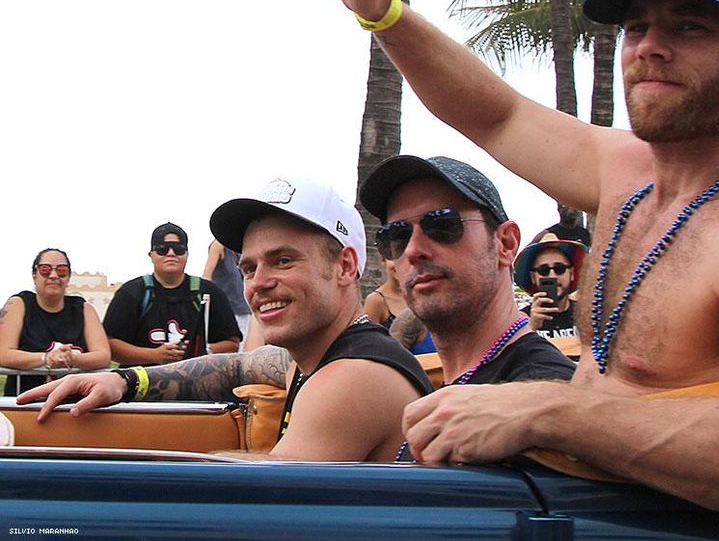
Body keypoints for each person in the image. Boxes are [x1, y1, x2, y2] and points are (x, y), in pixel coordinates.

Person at [319, 0, 719, 524]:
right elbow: (496, 115)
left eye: (690, 27)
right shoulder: (627, 172)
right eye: (637, 27)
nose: (650, 47)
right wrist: (383, 12)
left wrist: (545, 411)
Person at [18, 178, 432, 462]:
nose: (259, 283)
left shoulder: (354, 377)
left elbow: (265, 504)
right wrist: (124, 381)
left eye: (283, 260)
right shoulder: (315, 359)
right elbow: (237, 366)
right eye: (249, 267)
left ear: (345, 267)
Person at [359, 154, 577, 390]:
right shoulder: (454, 386)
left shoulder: (542, 393)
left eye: (442, 224)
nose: (412, 250)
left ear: (506, 244)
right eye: (396, 235)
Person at [102, 223, 242, 366]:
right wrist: (154, 356)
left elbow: (232, 342)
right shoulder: (131, 292)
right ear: (151, 255)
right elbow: (108, 343)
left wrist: (200, 350)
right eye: (162, 249)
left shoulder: (210, 292)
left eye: (178, 249)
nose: (171, 253)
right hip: (144, 377)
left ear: (187, 254)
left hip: (195, 377)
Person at [0, 248, 111, 395]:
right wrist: (47, 358)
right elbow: (3, 354)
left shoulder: (84, 308)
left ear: (68, 277)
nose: (53, 275)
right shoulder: (18, 304)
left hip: (74, 403)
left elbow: (103, 356)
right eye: (45, 270)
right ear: (34, 275)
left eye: (62, 271)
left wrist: (72, 359)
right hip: (25, 400)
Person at [513, 233, 587, 340]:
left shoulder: (586, 315)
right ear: (533, 277)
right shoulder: (519, 320)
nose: (552, 276)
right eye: (544, 270)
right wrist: (531, 327)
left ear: (571, 273)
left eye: (559, 269)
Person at [364, 252, 435, 354]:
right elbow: (369, 346)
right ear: (383, 260)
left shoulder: (424, 294)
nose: (400, 264)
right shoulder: (376, 300)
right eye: (394, 258)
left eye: (405, 258)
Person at [202, 240, 251, 342]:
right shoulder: (218, 245)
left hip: (245, 310)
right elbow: (207, 276)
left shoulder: (239, 249)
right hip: (225, 313)